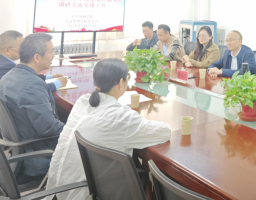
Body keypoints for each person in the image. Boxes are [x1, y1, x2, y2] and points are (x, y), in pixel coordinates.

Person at [46, 58, 171, 200]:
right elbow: (164, 132)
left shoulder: (83, 101)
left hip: (58, 190)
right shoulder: (121, 117)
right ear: (121, 82)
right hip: (84, 194)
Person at [0, 33, 66, 177]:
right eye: (51, 51)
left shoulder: (9, 75)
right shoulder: (32, 86)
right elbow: (49, 128)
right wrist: (74, 130)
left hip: (22, 147)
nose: (53, 55)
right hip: (38, 156)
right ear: (37, 57)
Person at [0, 30, 65, 94]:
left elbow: (30, 80)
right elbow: (34, 90)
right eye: (21, 46)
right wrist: (58, 83)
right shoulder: (7, 67)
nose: (25, 49)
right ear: (7, 50)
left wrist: (50, 77)